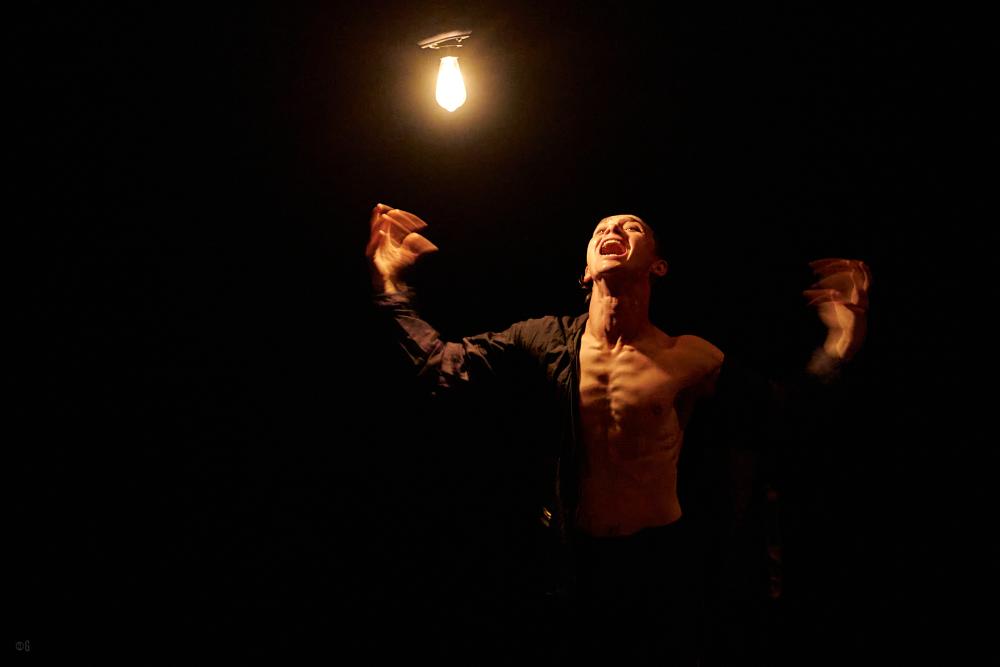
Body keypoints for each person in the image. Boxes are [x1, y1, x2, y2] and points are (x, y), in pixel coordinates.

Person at [366, 203, 870, 662]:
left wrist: (839, 344)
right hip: (577, 567)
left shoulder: (686, 355)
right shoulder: (543, 340)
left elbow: (781, 412)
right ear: (586, 270)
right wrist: (390, 285)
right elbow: (441, 366)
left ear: (658, 266)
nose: (614, 229)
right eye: (601, 229)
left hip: (662, 565)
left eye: (632, 227)